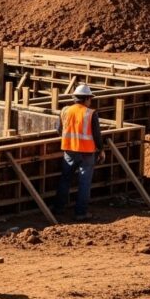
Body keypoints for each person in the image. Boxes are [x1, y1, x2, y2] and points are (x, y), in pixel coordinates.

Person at [54, 84, 106, 222]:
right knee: (84, 183)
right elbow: (97, 135)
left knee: (65, 179)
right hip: (87, 152)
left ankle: (59, 209)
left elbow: (59, 130)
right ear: (87, 98)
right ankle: (80, 213)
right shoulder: (91, 113)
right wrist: (101, 150)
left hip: (69, 150)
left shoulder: (65, 110)